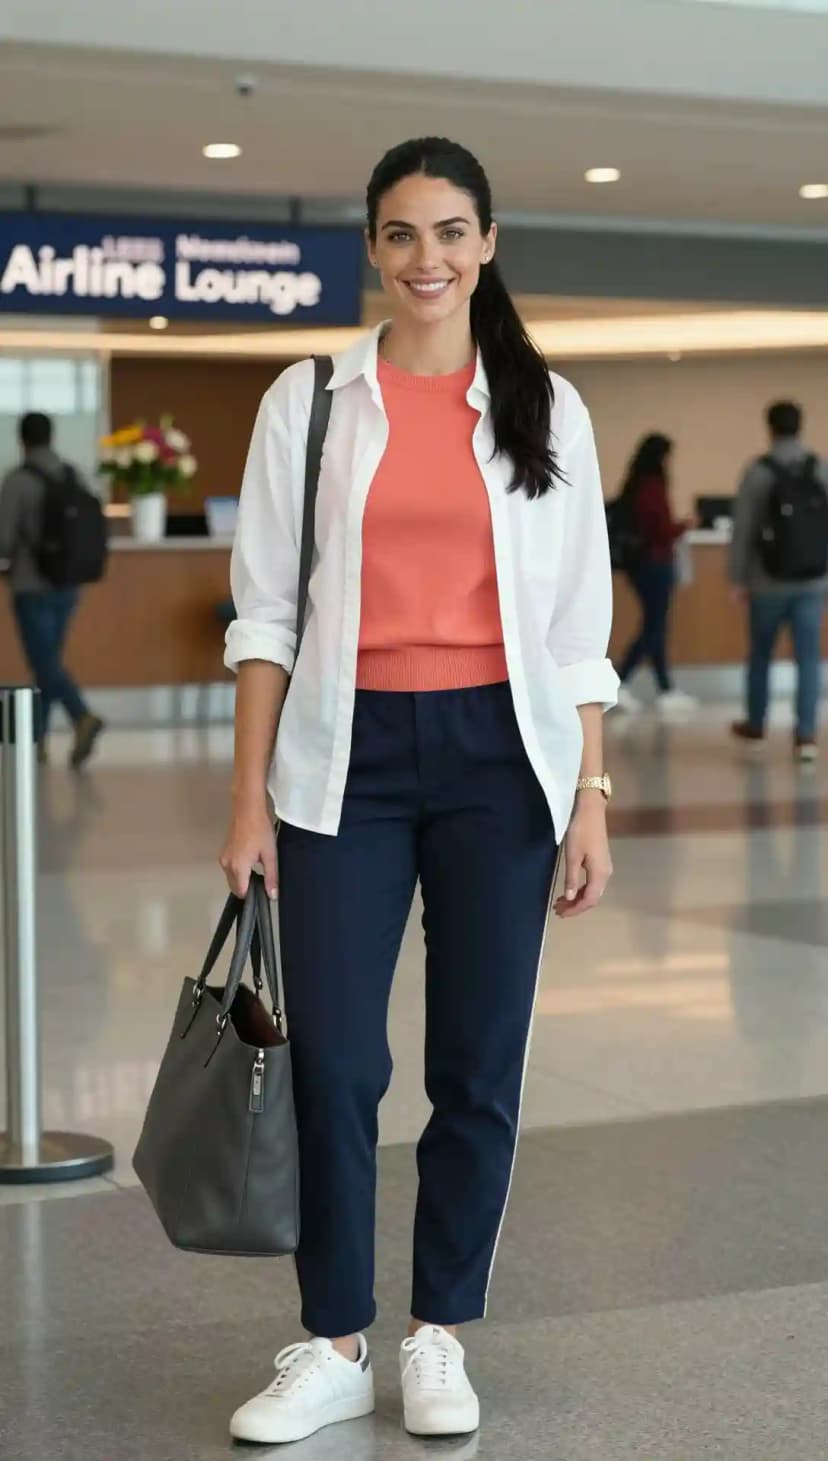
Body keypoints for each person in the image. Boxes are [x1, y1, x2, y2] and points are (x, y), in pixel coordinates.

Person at [220, 136, 619, 1448]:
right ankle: (331, 1336)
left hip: (504, 762)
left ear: (488, 242)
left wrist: (591, 793)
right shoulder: (313, 403)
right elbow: (266, 613)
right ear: (374, 251)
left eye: (451, 232)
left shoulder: (545, 408)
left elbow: (574, 630)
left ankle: (438, 1328)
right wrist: (246, 801)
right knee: (335, 1061)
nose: (427, 258)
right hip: (346, 759)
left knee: (477, 1063)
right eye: (401, 234)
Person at [0, 413, 105, 767]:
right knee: (48, 663)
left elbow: (3, 539)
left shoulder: (17, 481)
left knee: (44, 664)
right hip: (68, 585)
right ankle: (38, 741)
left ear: (22, 440)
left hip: (31, 586)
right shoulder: (72, 474)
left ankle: (81, 716)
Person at [730, 401, 828, 762]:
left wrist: (737, 578)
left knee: (760, 654)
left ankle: (756, 726)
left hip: (766, 582)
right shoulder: (820, 469)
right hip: (814, 583)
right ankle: (806, 738)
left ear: (769, 428)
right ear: (801, 427)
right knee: (809, 658)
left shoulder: (758, 472)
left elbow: (743, 529)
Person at [614, 432, 696, 714]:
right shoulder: (653, 488)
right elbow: (661, 531)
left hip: (642, 565)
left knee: (657, 626)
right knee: (653, 628)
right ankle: (619, 681)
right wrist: (685, 526)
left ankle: (665, 688)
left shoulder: (637, 485)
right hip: (654, 564)